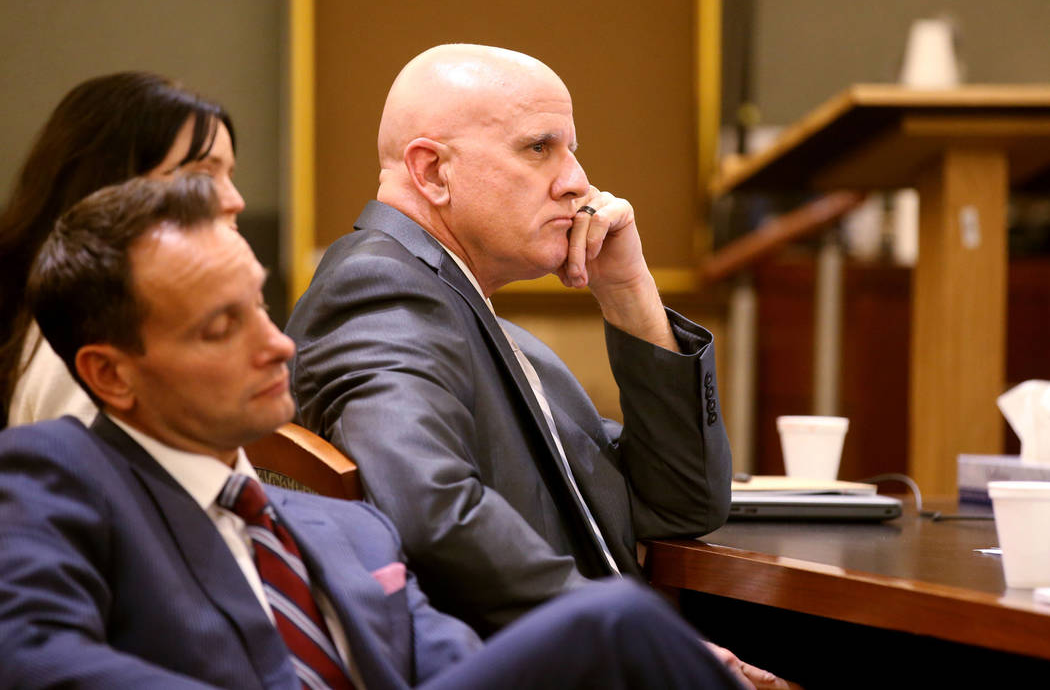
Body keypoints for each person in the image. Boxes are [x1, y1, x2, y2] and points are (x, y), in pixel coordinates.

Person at [0, 174, 747, 690]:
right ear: (111, 375)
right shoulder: (51, 473)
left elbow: (449, 664)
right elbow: (31, 658)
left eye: (260, 308)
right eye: (221, 327)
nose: (277, 345)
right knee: (612, 621)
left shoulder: (345, 528)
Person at [286, 44, 733, 632]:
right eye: (539, 148)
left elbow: (682, 502)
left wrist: (628, 290)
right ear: (432, 172)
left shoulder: (469, 314)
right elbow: (433, 513)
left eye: (571, 150)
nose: (577, 182)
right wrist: (629, 634)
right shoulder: (380, 291)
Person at [0, 71, 244, 429]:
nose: (235, 201)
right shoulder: (91, 340)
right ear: (110, 188)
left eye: (230, 176)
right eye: (202, 178)